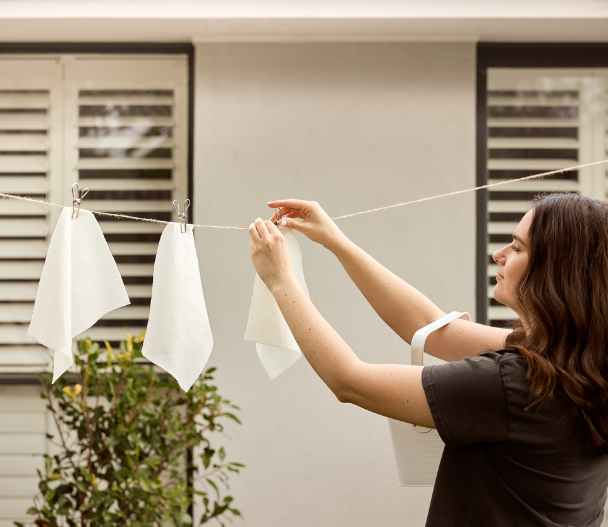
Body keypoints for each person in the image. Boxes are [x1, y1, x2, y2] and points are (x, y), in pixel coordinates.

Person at [248, 193, 608, 527]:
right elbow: (431, 328)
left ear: (555, 271)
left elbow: (350, 381)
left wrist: (281, 281)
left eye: (517, 247)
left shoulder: (514, 383)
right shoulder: (578, 362)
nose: (499, 254)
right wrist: (335, 241)